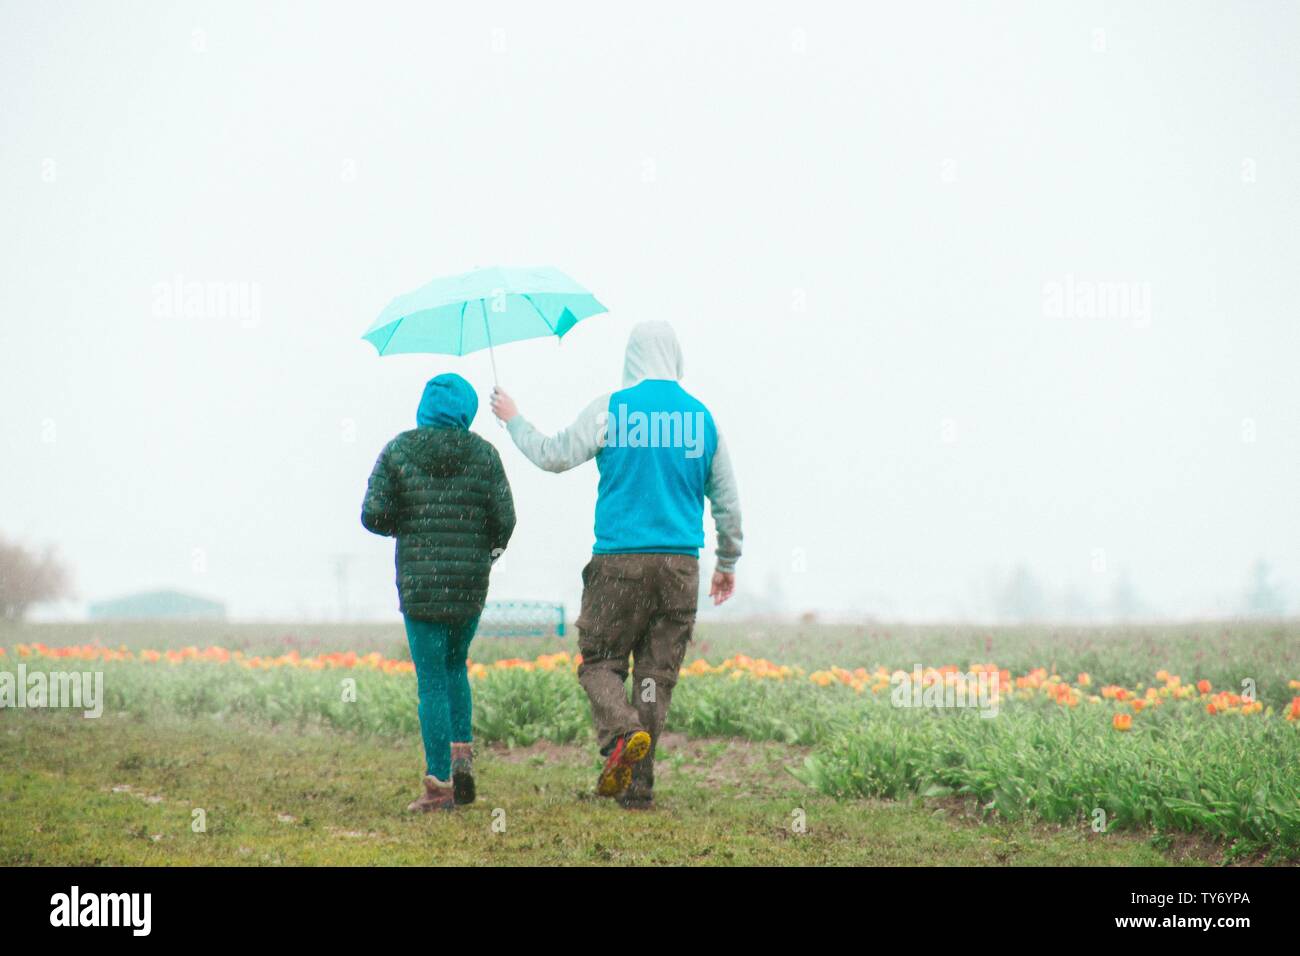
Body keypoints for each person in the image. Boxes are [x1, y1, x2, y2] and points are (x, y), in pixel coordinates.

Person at [490, 321, 742, 810]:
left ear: (631, 358)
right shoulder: (702, 420)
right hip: (679, 567)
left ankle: (623, 733)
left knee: (599, 664)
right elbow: (727, 501)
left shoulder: (612, 409)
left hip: (618, 565)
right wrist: (727, 559)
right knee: (654, 676)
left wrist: (515, 419)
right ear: (675, 357)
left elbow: (554, 455)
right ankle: (638, 788)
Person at [362, 373, 515, 813]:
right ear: (466, 410)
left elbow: (373, 514)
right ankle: (461, 758)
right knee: (455, 667)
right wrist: (484, 550)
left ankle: (439, 785)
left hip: (420, 583)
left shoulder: (399, 450)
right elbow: (505, 519)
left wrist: (406, 525)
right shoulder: (484, 454)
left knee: (431, 680)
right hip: (468, 584)